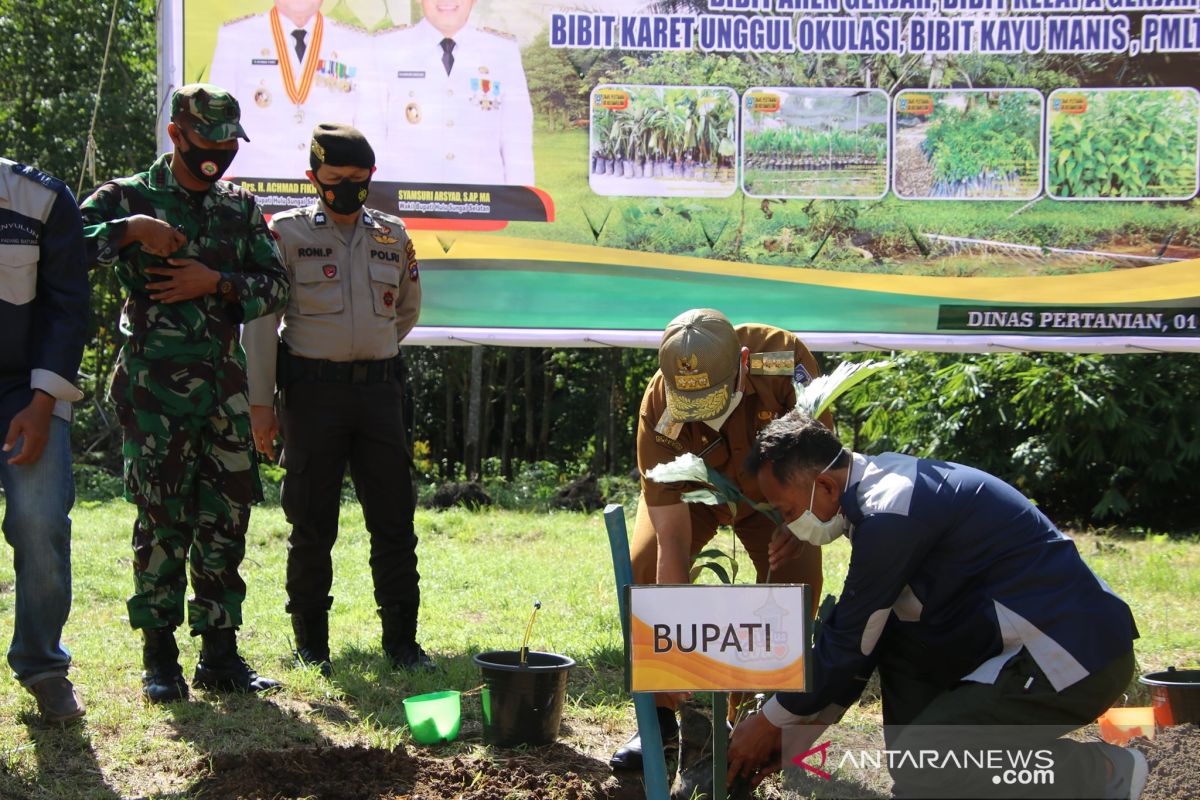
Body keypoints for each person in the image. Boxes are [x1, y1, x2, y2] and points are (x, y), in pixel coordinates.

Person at [728, 411, 1146, 799]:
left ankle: (1102, 771)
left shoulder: (891, 510)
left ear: (825, 486)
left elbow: (848, 641)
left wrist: (769, 722)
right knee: (921, 764)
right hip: (1025, 648)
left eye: (787, 510)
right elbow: (867, 644)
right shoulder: (877, 494)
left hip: (1073, 655)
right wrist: (800, 729)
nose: (789, 525)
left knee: (928, 761)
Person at [80, 84, 290, 703]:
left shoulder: (239, 207)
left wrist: (219, 282)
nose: (219, 155)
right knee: (162, 521)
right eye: (207, 142)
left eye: (229, 144)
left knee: (225, 520)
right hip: (153, 395)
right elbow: (64, 247)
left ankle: (221, 658)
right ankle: (160, 660)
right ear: (176, 134)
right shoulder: (128, 197)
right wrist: (132, 231)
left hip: (223, 392)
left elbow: (275, 286)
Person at [241, 122, 428, 675]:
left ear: (371, 176)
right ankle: (311, 645)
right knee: (312, 522)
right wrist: (260, 405)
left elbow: (407, 310)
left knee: (394, 519)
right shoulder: (288, 234)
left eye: (357, 178)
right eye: (333, 179)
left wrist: (368, 347)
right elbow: (261, 324)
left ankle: (402, 643)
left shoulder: (393, 234)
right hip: (311, 395)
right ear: (312, 178)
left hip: (379, 395)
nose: (345, 187)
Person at [611, 308, 831, 772]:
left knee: (797, 586)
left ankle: (756, 716)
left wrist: (798, 527)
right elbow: (671, 537)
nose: (704, 420)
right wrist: (673, 654)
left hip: (778, 496)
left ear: (743, 361)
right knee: (644, 568)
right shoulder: (658, 406)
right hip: (695, 495)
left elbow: (819, 470)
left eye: (713, 400)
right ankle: (662, 720)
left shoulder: (785, 361)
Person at [0, 158, 90, 722]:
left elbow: (68, 307)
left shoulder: (41, 199)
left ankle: (42, 667)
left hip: (26, 390)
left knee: (40, 522)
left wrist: (41, 406)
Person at [208, 0, 378, 179]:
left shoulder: (357, 42)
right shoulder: (237, 36)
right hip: (257, 186)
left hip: (331, 186)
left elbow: (370, 125)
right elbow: (218, 122)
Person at [374, 0, 534, 185]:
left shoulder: (502, 51)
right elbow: (374, 135)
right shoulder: (387, 47)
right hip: (406, 203)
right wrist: (378, 201)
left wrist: (521, 203)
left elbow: (517, 138)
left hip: (484, 204)